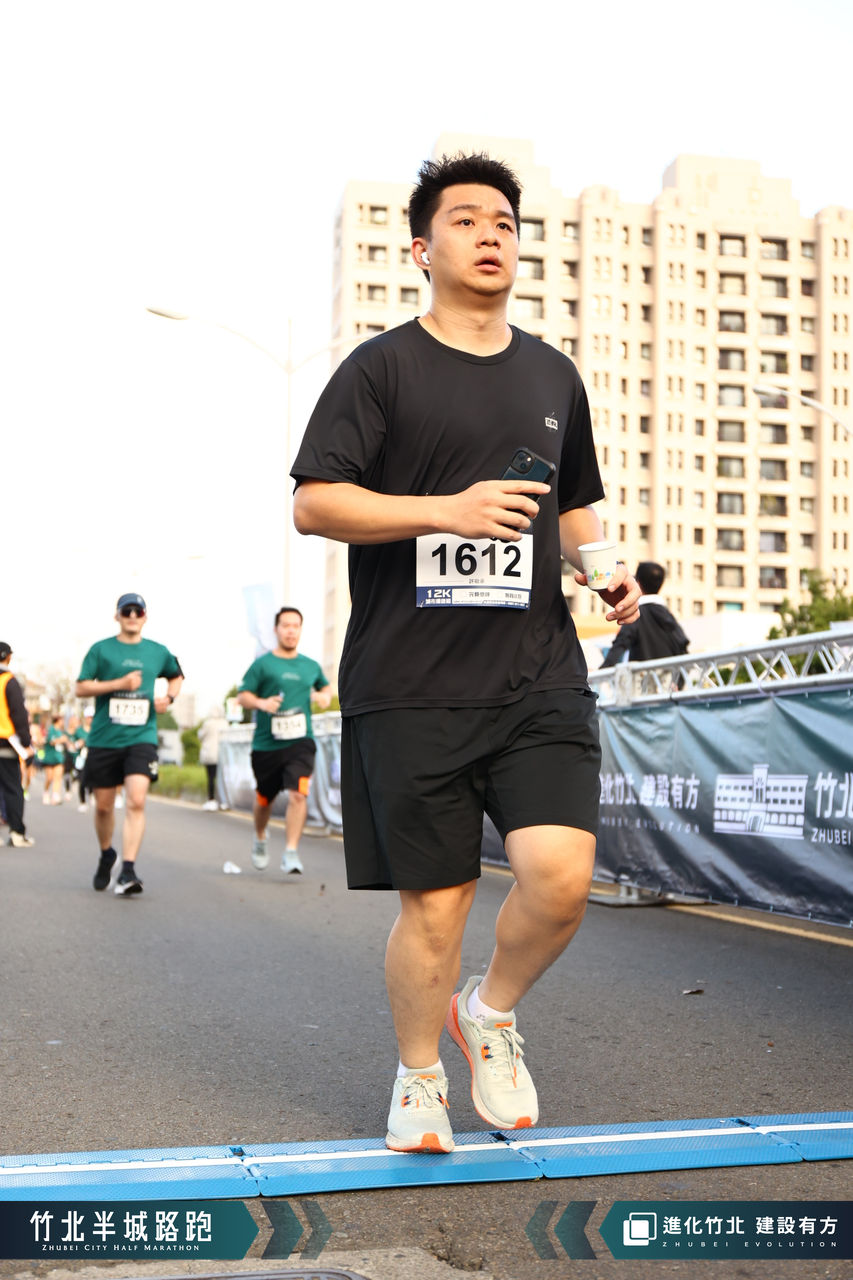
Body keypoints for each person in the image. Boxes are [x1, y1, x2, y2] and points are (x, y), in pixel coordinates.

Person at [291, 151, 641, 1154]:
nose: (491, 234)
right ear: (421, 248)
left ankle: (487, 1012)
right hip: (410, 682)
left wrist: (601, 569)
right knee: (437, 906)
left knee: (560, 876)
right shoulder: (380, 369)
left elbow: (571, 503)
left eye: (504, 222)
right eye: (465, 220)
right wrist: (446, 509)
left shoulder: (551, 374)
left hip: (537, 674)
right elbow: (316, 502)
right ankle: (417, 1075)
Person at [74, 593, 183, 896]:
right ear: (117, 616)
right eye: (127, 610)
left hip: (141, 738)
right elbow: (80, 687)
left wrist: (169, 698)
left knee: (136, 800)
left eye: (138, 611)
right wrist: (118, 684)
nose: (133, 615)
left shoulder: (158, 651)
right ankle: (107, 853)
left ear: (145, 617)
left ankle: (128, 870)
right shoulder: (101, 649)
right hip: (104, 739)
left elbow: (177, 676)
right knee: (104, 807)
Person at [237, 608, 331, 874]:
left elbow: (325, 687)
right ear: (276, 630)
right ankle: (260, 837)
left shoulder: (310, 666)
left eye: (295, 626)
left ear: (300, 630)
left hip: (300, 741)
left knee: (298, 794)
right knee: (264, 799)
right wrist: (261, 703)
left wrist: (324, 696)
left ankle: (291, 851)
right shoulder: (263, 664)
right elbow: (243, 696)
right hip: (267, 745)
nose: (291, 630)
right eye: (286, 625)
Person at [598, 561, 689, 667]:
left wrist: (603, 670)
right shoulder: (668, 615)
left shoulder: (636, 613)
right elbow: (682, 646)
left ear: (638, 582)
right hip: (667, 675)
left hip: (642, 675)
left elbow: (620, 645)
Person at [0, 640, 35, 847]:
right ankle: (16, 833)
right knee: (13, 789)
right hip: (6, 744)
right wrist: (26, 742)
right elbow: (19, 714)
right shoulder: (9, 682)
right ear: (8, 657)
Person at [198, 704, 229, 811]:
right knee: (222, 779)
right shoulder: (225, 723)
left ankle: (211, 800)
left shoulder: (208, 723)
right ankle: (224, 801)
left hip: (210, 754)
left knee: (211, 778)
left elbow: (201, 735)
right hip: (222, 755)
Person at [41, 714, 67, 805]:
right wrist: (61, 740)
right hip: (50, 757)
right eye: (62, 720)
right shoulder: (51, 729)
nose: (63, 722)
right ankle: (46, 792)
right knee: (49, 778)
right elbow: (51, 741)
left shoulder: (61, 731)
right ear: (58, 720)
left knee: (58, 777)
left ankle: (55, 796)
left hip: (58, 757)